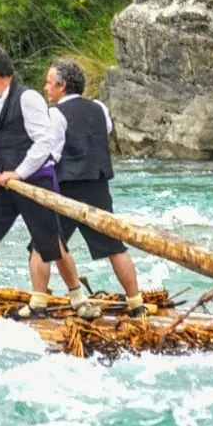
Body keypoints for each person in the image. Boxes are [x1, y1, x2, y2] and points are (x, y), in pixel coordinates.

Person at [0, 48, 93, 323]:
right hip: (3, 186)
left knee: (52, 241)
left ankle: (78, 299)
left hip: (35, 182)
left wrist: (20, 172)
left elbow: (44, 142)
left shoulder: (28, 98)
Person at [28, 58, 147, 318]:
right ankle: (136, 303)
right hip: (97, 184)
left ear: (62, 86)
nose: (46, 88)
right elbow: (104, 132)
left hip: (66, 188)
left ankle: (37, 303)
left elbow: (52, 152)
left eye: (49, 83)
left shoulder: (55, 114)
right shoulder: (99, 108)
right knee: (115, 246)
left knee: (43, 243)